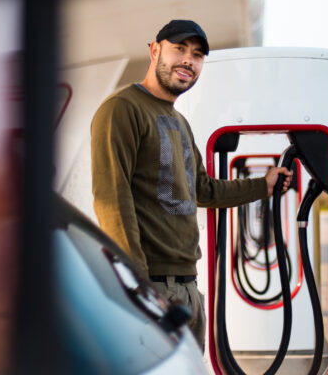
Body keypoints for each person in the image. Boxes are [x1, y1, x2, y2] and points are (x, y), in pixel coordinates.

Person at [91, 19, 292, 350]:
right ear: (155, 51)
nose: (188, 60)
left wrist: (263, 186)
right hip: (152, 285)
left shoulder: (179, 121)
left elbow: (203, 190)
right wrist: (138, 288)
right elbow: (112, 198)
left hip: (187, 288)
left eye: (197, 55)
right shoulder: (122, 109)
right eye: (179, 49)